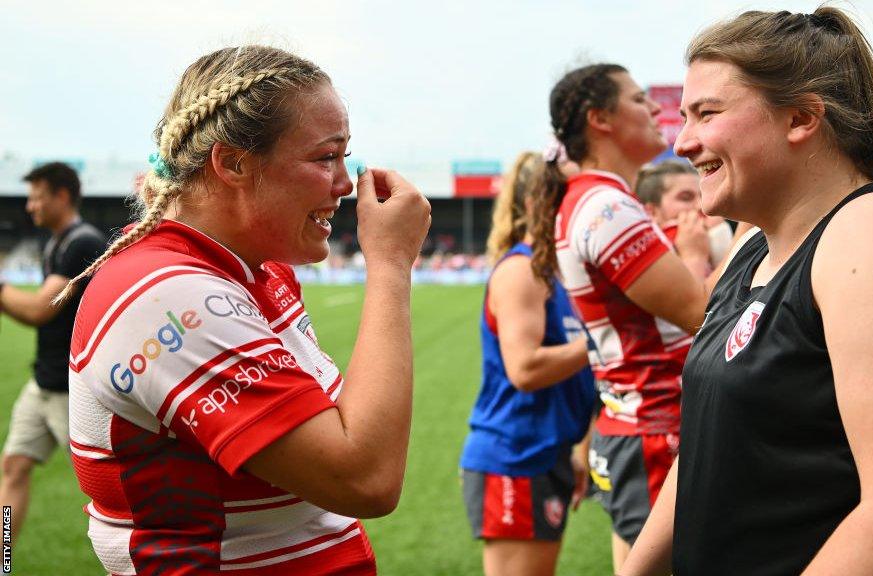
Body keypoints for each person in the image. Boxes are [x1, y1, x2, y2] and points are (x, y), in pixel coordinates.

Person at [621, 9, 873, 576]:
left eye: (707, 114)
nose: (683, 142)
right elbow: (710, 450)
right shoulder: (753, 250)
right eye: (684, 117)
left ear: (800, 118)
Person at [64, 46, 430, 574]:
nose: (346, 184)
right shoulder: (168, 297)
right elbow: (364, 478)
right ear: (233, 162)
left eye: (345, 157)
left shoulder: (257, 270)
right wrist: (392, 264)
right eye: (326, 157)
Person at [530, 63, 712, 571]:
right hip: (655, 428)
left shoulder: (598, 200)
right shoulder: (606, 207)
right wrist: (762, 233)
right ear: (600, 119)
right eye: (638, 99)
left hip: (639, 424)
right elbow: (700, 310)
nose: (657, 108)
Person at [459, 151, 596, 576]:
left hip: (546, 452)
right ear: (542, 203)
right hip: (514, 456)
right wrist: (603, 340)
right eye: (572, 195)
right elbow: (526, 369)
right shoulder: (523, 271)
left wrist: (579, 447)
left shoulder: (557, 272)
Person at [0, 162, 105, 546]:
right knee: (13, 466)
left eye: (36, 197)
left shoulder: (83, 243)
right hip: (43, 382)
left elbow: (39, 310)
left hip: (70, 390)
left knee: (108, 494)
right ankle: (3, 562)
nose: (30, 206)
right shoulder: (58, 242)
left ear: (62, 196)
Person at [635, 160, 736, 270]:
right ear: (652, 212)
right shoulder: (644, 257)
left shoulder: (715, 230)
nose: (701, 206)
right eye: (686, 198)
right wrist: (694, 257)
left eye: (703, 196)